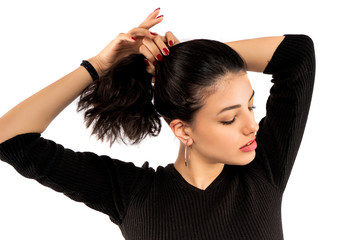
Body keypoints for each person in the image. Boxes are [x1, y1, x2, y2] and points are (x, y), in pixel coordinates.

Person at [0, 8, 315, 240]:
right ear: (182, 130)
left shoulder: (265, 169)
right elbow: (10, 139)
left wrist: (183, 60)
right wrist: (97, 66)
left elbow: (298, 55)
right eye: (229, 118)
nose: (252, 126)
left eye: (250, 107)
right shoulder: (129, 193)